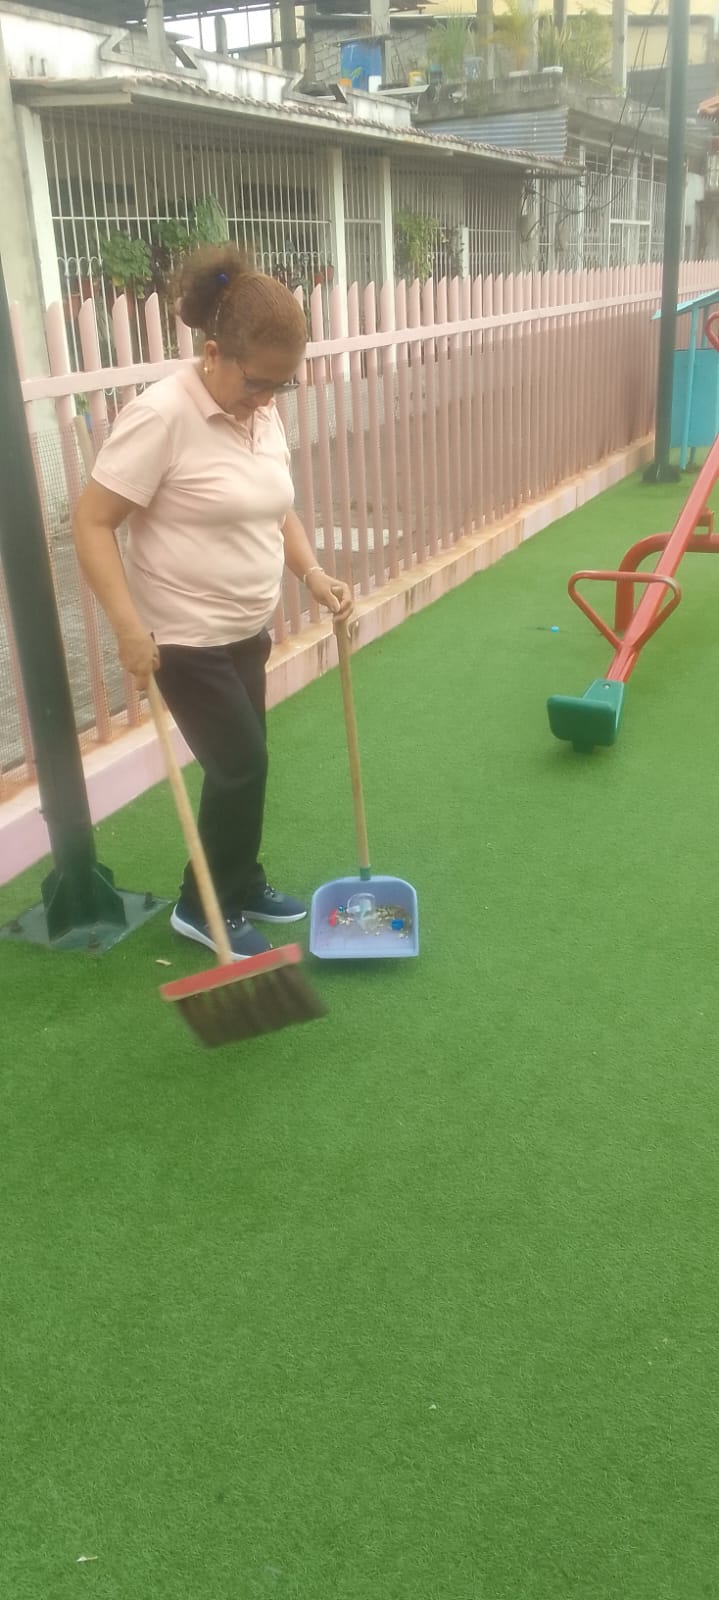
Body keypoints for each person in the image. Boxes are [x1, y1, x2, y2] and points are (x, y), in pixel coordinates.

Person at [73, 245, 353, 960]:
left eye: (282, 385)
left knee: (248, 761)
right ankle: (202, 907)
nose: (268, 398)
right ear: (212, 354)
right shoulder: (162, 416)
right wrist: (128, 628)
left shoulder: (261, 411)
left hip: (246, 627)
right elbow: (93, 522)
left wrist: (311, 573)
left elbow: (274, 507)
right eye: (258, 382)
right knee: (239, 765)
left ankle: (241, 881)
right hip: (184, 636)